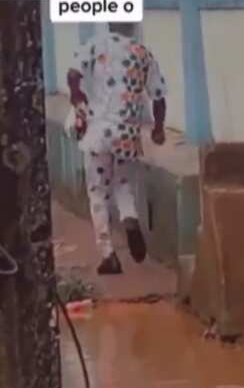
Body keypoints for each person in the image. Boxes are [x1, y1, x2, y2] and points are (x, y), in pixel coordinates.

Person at [67, 23, 168, 275]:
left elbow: (73, 73)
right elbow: (159, 96)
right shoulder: (144, 53)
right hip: (127, 134)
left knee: (97, 192)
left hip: (99, 133)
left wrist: (77, 96)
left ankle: (108, 255)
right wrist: (158, 129)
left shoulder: (96, 43)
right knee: (123, 185)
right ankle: (130, 219)